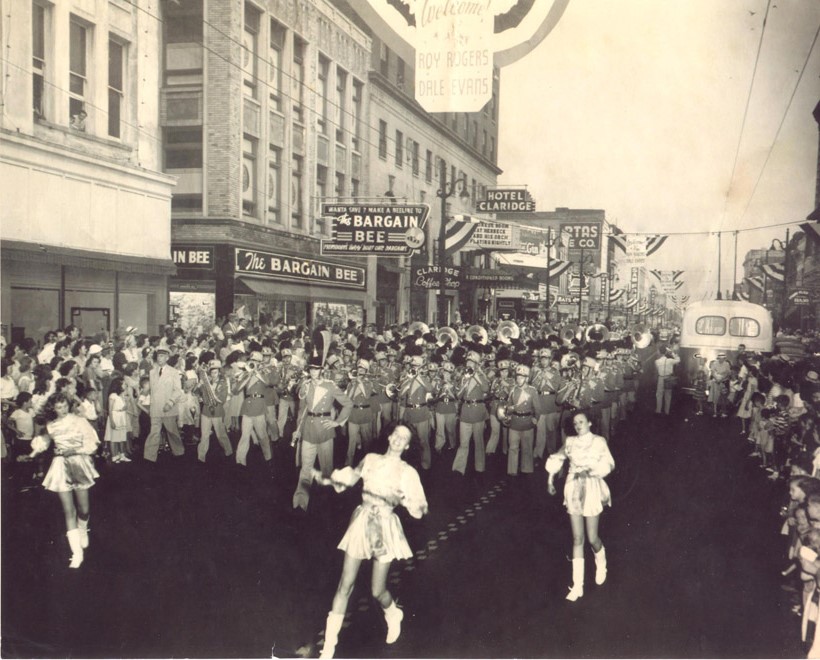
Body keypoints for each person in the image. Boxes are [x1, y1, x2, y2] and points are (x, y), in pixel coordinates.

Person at [313, 424, 428, 659]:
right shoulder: (371, 459)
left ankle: (393, 613)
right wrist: (328, 480)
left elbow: (420, 508)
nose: (398, 439)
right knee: (345, 584)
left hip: (385, 526)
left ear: (407, 446)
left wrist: (405, 500)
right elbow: (350, 478)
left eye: (403, 438)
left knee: (377, 590)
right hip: (362, 520)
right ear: (389, 436)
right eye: (396, 434)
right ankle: (329, 647)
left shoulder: (408, 472)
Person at [25, 393, 100, 568]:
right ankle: (77, 553)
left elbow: (92, 443)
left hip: (79, 463)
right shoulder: (51, 425)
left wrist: (75, 450)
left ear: (69, 405)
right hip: (60, 466)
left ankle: (83, 528)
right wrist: (31, 454)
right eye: (59, 407)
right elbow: (42, 443)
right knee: (68, 510)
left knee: (84, 509)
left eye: (65, 406)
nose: (63, 409)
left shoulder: (79, 421)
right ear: (53, 409)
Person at [546, 411, 615, 601]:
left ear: (590, 423)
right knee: (577, 538)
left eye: (581, 422)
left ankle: (601, 563)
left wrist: (593, 471)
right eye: (575, 423)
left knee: (592, 538)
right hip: (573, 488)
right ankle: (578, 586)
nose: (578, 426)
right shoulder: (570, 441)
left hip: (592, 487)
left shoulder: (599, 441)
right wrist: (550, 480)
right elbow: (557, 458)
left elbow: (608, 463)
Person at [291, 355, 353, 512]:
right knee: (306, 468)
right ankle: (300, 502)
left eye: (316, 369)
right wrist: (297, 430)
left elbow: (348, 404)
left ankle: (327, 500)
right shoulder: (305, 385)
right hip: (308, 430)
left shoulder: (330, 385)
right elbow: (302, 410)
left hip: (325, 430)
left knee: (326, 468)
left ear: (322, 370)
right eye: (311, 369)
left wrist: (337, 422)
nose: (313, 372)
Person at [144, 347, 185, 463]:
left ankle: (179, 452)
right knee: (154, 433)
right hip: (156, 408)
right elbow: (152, 391)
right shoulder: (152, 372)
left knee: (172, 432)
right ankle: (149, 458)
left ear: (167, 358)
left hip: (168, 408)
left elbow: (177, 390)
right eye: (158, 356)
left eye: (162, 356)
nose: (159, 358)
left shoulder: (173, 372)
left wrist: (170, 402)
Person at [654, 346, 680, 415]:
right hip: (668, 378)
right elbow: (678, 360)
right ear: (666, 352)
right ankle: (667, 412)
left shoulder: (657, 361)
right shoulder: (670, 361)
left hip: (661, 378)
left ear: (659, 352)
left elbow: (657, 370)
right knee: (668, 395)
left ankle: (658, 411)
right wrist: (672, 353)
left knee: (659, 395)